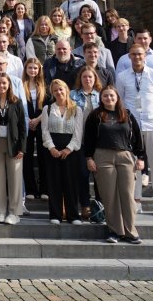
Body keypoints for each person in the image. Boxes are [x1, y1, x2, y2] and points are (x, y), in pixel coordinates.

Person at [115, 44, 153, 218]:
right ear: (129, 56)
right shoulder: (123, 76)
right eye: (133, 54)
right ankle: (137, 202)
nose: (137, 57)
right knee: (135, 166)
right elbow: (121, 100)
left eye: (139, 54)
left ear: (145, 56)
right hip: (133, 127)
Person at [83, 87, 145, 244]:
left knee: (127, 194)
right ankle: (115, 231)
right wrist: (89, 158)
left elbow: (137, 137)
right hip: (103, 156)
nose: (109, 98)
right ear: (101, 98)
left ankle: (130, 231)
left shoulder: (127, 114)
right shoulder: (95, 115)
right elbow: (88, 139)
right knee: (109, 196)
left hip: (125, 156)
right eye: (105, 96)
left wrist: (141, 157)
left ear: (117, 97)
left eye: (111, 95)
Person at [41, 79, 84, 225]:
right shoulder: (47, 109)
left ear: (66, 90)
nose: (59, 92)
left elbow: (78, 133)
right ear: (52, 93)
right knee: (54, 183)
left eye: (61, 89)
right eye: (55, 90)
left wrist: (69, 148)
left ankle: (73, 215)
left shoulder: (77, 109)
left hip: (71, 151)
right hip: (52, 149)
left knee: (71, 183)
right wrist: (51, 147)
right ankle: (55, 215)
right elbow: (45, 131)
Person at [0, 73, 27, 226]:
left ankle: (14, 212)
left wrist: (22, 148)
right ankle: (0, 211)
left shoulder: (16, 102)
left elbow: (22, 127)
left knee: (15, 178)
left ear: (9, 84)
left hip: (14, 144)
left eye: (4, 83)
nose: (1, 86)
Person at [71, 65, 104, 218]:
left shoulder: (101, 95)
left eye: (90, 77)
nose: (87, 79)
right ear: (80, 79)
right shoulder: (73, 95)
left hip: (99, 142)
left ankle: (101, 205)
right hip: (80, 141)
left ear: (95, 79)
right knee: (82, 176)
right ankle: (84, 205)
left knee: (100, 176)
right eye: (84, 77)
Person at [22, 58, 50, 199]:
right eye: (30, 68)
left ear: (39, 70)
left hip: (41, 123)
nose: (33, 70)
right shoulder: (21, 85)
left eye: (35, 68)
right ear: (26, 69)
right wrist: (27, 120)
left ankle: (44, 189)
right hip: (26, 123)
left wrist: (38, 119)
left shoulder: (44, 86)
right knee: (26, 157)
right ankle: (31, 189)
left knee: (43, 156)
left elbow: (48, 105)